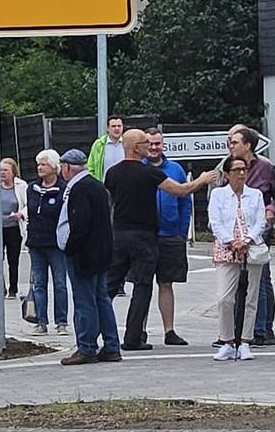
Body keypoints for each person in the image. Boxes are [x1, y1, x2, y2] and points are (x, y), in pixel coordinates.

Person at [104, 129, 214, 352]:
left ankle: (93, 330)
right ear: (136, 147)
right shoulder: (147, 173)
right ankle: (133, 337)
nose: (149, 146)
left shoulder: (113, 173)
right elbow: (181, 191)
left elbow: (110, 204)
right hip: (144, 236)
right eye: (145, 142)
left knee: (109, 286)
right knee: (143, 286)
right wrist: (202, 180)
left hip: (119, 234)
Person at [55, 150, 120, 365]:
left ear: (67, 168)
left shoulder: (79, 189)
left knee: (85, 302)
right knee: (102, 298)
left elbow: (79, 224)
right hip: (101, 252)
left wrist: (70, 247)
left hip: (84, 254)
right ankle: (111, 346)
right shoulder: (97, 186)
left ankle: (86, 347)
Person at [206, 152, 266, 360]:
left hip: (251, 248)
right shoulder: (218, 195)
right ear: (227, 174)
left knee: (251, 296)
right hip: (227, 249)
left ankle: (246, 341)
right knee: (224, 298)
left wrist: (247, 240)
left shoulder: (255, 194)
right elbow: (215, 221)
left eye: (244, 169)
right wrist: (231, 242)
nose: (241, 174)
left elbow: (260, 221)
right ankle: (228, 340)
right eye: (236, 170)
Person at [226, 125, 275, 347]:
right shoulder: (227, 166)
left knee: (261, 279)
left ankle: (263, 329)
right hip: (235, 231)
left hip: (258, 230)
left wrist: (272, 211)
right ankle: (242, 328)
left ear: (247, 145)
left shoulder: (266, 168)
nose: (231, 146)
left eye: (235, 142)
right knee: (241, 281)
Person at [147, 129, 200, 346]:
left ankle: (169, 330)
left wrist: (181, 229)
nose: (154, 148)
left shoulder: (175, 169)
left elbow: (185, 200)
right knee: (142, 285)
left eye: (157, 143)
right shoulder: (139, 168)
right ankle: (137, 330)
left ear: (163, 145)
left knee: (166, 283)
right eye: (150, 144)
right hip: (145, 235)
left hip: (170, 234)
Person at [23, 151, 68, 335]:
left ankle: (62, 322)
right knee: (39, 283)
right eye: (38, 164)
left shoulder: (63, 189)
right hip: (35, 243)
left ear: (54, 167)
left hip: (55, 244)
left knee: (60, 283)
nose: (40, 167)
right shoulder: (32, 188)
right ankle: (41, 321)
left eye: (44, 164)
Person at [0, 157, 25, 300]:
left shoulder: (21, 186)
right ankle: (0, 288)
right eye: (0, 170)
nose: (2, 173)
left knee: (13, 259)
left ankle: (13, 288)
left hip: (14, 228)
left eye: (5, 170)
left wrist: (21, 214)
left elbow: (27, 204)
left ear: (13, 172)